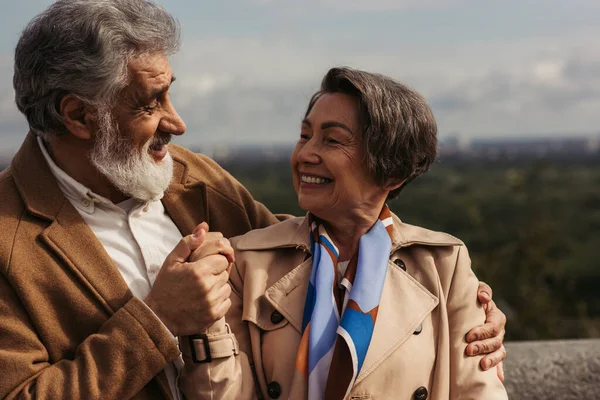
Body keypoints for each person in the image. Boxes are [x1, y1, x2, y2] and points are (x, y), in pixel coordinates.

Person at [0, 1, 505, 399]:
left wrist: (456, 298)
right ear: (78, 116)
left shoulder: (193, 179)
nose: (177, 123)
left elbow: (308, 249)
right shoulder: (8, 238)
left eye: (170, 94)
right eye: (151, 103)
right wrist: (156, 320)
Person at [179, 67, 508, 399]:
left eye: (332, 140)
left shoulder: (443, 265)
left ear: (391, 171)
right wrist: (203, 321)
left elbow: (478, 391)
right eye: (305, 136)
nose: (305, 154)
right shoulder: (245, 263)